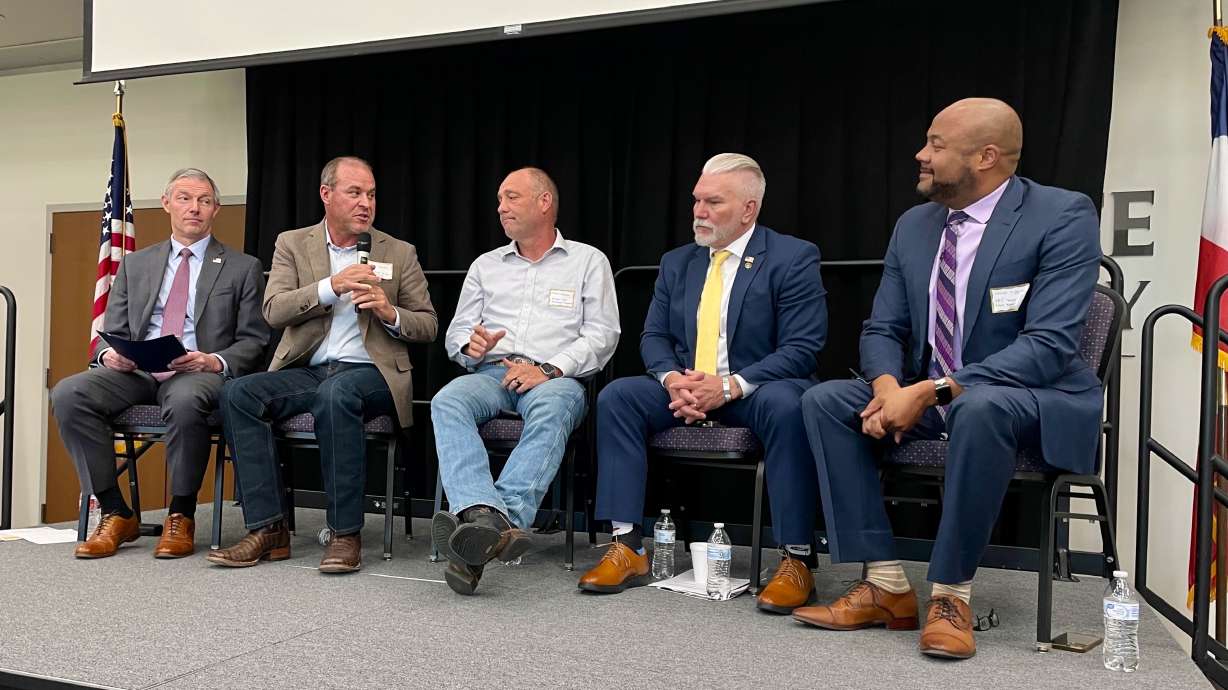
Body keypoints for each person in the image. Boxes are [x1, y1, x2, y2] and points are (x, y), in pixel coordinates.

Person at [792, 98, 1102, 660]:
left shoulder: (1061, 214)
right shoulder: (915, 225)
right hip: (929, 394)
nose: (921, 154)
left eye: (936, 144)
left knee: (979, 408)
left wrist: (935, 390)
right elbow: (883, 326)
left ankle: (951, 595)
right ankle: (886, 584)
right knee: (824, 400)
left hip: (1034, 398)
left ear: (985, 156)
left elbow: (1048, 347)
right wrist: (887, 387)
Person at [578, 153, 828, 615]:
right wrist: (674, 380)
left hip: (755, 391)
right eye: (696, 200)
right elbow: (654, 336)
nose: (699, 211)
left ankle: (797, 558)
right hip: (687, 388)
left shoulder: (792, 257)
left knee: (790, 405)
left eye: (713, 202)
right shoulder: (678, 262)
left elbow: (802, 348)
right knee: (619, 397)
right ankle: (628, 545)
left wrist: (730, 387)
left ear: (749, 209)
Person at [208, 156, 437, 573]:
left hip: (372, 374)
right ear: (326, 195)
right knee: (238, 392)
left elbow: (428, 325)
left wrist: (390, 313)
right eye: (354, 192)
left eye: (370, 194)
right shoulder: (292, 244)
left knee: (338, 392)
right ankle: (268, 528)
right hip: (309, 369)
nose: (365, 203)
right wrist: (331, 287)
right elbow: (274, 310)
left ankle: (344, 534)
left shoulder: (398, 252)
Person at [51, 168, 270, 559]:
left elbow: (254, 340)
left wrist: (213, 360)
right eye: (184, 198)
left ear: (216, 209)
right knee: (69, 393)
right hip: (136, 370)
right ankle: (116, 512)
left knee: (185, 401)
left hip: (195, 371)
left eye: (204, 201)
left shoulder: (242, 267)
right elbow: (110, 330)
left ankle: (181, 514)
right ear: (167, 204)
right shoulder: (136, 265)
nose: (194, 208)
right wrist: (108, 354)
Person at [430, 167, 619, 595]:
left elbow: (603, 335)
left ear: (544, 202)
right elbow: (457, 333)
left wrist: (549, 369)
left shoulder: (588, 261)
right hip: (493, 371)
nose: (501, 207)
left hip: (556, 377)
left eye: (511, 197)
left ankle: (484, 527)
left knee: (554, 407)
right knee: (447, 401)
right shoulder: (486, 265)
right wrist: (471, 346)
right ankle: (490, 518)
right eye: (499, 199)